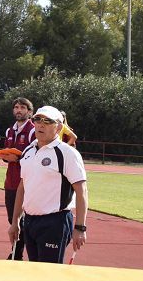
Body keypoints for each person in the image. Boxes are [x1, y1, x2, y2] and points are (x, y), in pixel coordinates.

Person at [8, 105, 88, 264]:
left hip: (55, 222)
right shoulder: (29, 150)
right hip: (30, 222)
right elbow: (22, 187)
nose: (40, 124)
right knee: (35, 270)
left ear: (58, 127)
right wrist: (15, 222)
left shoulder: (67, 153)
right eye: (37, 119)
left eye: (47, 121)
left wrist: (80, 228)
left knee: (49, 273)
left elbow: (81, 191)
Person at [0, 97, 35, 260]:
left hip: (28, 182)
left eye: (22, 107)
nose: (18, 110)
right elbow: (8, 154)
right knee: (12, 219)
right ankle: (17, 252)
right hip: (11, 182)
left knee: (25, 220)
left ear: (29, 111)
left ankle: (17, 254)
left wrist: (19, 159)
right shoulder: (9, 131)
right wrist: (5, 156)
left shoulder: (34, 130)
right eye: (16, 107)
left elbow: (37, 154)